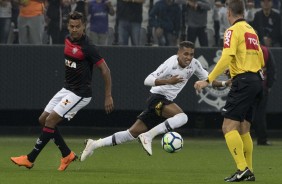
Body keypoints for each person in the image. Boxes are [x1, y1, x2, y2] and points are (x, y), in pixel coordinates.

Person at [79, 41, 229, 162]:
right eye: (185, 54)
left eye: (191, 54)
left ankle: (94, 144)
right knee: (183, 117)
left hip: (164, 103)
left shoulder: (194, 64)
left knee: (130, 134)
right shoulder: (170, 64)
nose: (188, 57)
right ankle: (148, 136)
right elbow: (147, 80)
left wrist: (224, 84)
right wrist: (168, 81)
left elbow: (208, 79)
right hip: (156, 99)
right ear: (178, 53)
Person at [10, 11, 114, 171]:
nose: (74, 30)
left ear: (84, 26)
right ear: (68, 26)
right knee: (43, 120)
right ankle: (67, 154)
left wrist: (108, 96)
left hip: (80, 94)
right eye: (71, 26)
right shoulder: (67, 39)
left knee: (50, 121)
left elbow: (105, 70)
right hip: (67, 89)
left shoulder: (88, 47)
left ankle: (30, 159)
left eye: (78, 26)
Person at [194, 0, 264, 182]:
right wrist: (233, 69)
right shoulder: (252, 31)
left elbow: (227, 56)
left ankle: (242, 169)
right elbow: (261, 60)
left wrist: (208, 80)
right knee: (244, 129)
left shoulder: (232, 31)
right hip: (257, 81)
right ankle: (249, 170)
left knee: (228, 127)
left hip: (244, 83)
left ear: (228, 13)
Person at [253, 45, 276, 145]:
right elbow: (272, 69)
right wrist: (269, 85)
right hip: (262, 86)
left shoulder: (243, 50)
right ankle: (262, 139)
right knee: (260, 114)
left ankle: (239, 138)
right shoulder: (265, 50)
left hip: (246, 86)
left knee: (244, 113)